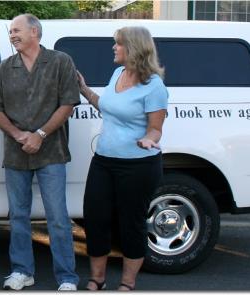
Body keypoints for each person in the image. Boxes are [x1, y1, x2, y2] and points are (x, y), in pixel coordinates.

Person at [0, 13, 80, 291]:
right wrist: (18, 135)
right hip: (16, 154)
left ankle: (66, 277)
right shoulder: (5, 68)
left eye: (17, 30)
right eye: (10, 32)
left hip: (51, 151)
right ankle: (21, 272)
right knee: (17, 215)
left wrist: (40, 135)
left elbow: (68, 103)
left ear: (35, 32)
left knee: (58, 217)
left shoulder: (60, 61)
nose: (12, 35)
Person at [77, 26, 168, 291]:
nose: (114, 48)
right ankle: (97, 279)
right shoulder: (118, 73)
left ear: (134, 48)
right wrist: (83, 88)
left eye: (118, 44)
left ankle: (127, 283)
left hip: (138, 166)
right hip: (104, 161)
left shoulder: (154, 86)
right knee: (95, 219)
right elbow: (106, 106)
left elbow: (156, 127)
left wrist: (149, 139)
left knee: (130, 223)